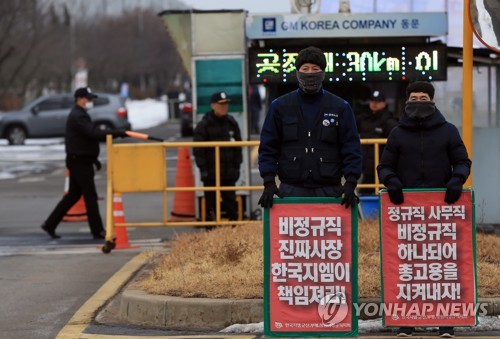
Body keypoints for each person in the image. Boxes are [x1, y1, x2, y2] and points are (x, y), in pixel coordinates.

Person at [377, 81, 472, 338]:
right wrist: (392, 181)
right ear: (407, 101)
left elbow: (462, 161)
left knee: (441, 266)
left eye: (423, 97)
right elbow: (384, 167)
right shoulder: (397, 133)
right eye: (414, 97)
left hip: (442, 212)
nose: (419, 101)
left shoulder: (449, 131)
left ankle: (446, 322)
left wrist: (456, 180)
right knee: (408, 266)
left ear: (432, 100)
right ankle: (406, 322)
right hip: (406, 214)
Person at [258, 46, 361, 208]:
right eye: (305, 69)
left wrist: (351, 182)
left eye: (315, 68)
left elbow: (351, 147)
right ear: (297, 72)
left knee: (329, 234)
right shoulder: (280, 106)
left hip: (330, 190)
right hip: (291, 189)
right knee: (292, 234)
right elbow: (268, 147)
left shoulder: (340, 107)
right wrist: (269, 182)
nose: (310, 73)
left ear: (323, 72)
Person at [41, 87, 128, 239]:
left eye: (91, 99)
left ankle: (50, 224)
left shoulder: (81, 114)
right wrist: (116, 133)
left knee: (73, 195)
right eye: (88, 99)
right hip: (79, 161)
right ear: (79, 99)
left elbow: (85, 139)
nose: (91, 102)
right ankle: (97, 230)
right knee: (90, 196)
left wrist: (93, 158)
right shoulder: (78, 116)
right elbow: (93, 133)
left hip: (80, 159)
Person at [193, 91, 243, 221]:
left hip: (228, 173)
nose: (224, 106)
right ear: (213, 105)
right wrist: (203, 170)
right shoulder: (204, 125)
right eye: (221, 104)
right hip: (211, 174)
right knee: (211, 206)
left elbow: (238, 147)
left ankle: (235, 232)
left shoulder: (232, 123)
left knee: (231, 205)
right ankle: (210, 231)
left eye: (226, 104)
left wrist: (237, 167)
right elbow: (198, 149)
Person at [356, 90, 398, 194]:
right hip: (365, 168)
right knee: (363, 195)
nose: (374, 104)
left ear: (384, 103)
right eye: (372, 101)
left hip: (382, 168)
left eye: (378, 101)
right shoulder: (363, 119)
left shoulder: (390, 122)